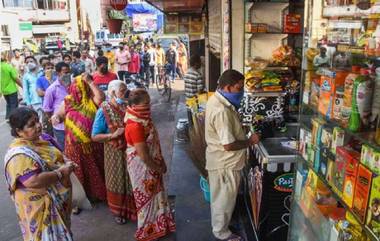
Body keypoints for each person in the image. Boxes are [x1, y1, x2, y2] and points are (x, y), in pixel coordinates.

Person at [4, 107, 75, 241]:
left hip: (56, 198)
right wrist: (60, 173)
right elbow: (32, 181)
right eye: (31, 125)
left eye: (37, 121)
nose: (38, 126)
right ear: (19, 131)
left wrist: (66, 162)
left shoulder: (42, 139)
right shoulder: (18, 155)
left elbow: (59, 154)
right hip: (39, 205)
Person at [205, 69, 260, 241]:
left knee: (222, 198)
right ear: (227, 88)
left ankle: (222, 226)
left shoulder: (217, 100)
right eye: (239, 88)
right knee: (224, 200)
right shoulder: (221, 110)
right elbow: (228, 145)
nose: (241, 91)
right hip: (225, 163)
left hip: (221, 161)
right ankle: (221, 233)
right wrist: (250, 141)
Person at [124, 89, 176, 241]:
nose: (149, 106)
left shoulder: (143, 119)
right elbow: (144, 155)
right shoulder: (135, 125)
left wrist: (161, 162)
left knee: (156, 196)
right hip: (143, 167)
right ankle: (148, 230)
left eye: (149, 103)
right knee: (146, 200)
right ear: (134, 105)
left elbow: (154, 145)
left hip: (152, 164)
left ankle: (160, 224)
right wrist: (157, 167)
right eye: (146, 104)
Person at [55, 74, 107, 203]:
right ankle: (79, 200)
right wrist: (56, 118)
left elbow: (101, 97)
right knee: (78, 173)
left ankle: (97, 195)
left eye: (81, 88)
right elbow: (60, 115)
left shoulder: (91, 100)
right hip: (73, 146)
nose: (78, 91)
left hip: (93, 145)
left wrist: (90, 82)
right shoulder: (67, 101)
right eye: (76, 88)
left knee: (96, 170)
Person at [92, 80, 136, 224]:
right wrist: (112, 135)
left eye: (125, 90)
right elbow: (95, 136)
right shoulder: (103, 110)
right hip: (113, 153)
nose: (125, 94)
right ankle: (118, 211)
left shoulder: (126, 105)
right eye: (122, 91)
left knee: (131, 178)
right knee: (116, 181)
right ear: (112, 93)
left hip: (129, 150)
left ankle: (132, 209)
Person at [43, 62, 71, 149]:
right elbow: (47, 109)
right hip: (61, 126)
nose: (67, 74)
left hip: (73, 124)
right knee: (64, 149)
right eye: (65, 72)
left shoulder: (74, 85)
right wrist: (54, 119)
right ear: (58, 73)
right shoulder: (52, 89)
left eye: (68, 72)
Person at [1, 52, 22, 119]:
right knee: (14, 104)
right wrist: (22, 86)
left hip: (3, 90)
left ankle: (8, 117)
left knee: (9, 104)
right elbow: (15, 78)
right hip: (11, 89)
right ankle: (13, 119)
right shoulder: (8, 66)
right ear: (7, 58)